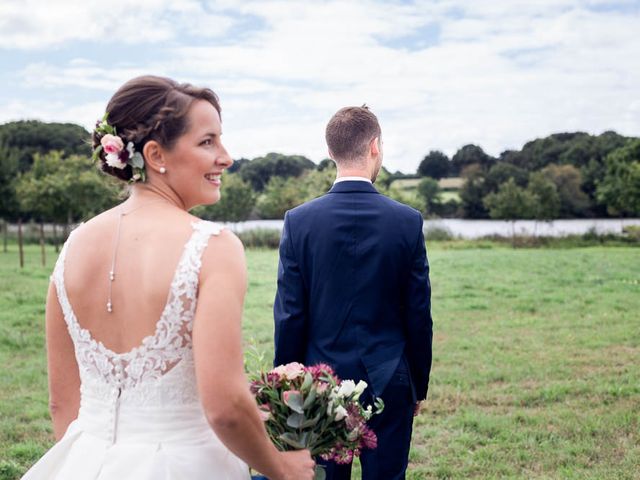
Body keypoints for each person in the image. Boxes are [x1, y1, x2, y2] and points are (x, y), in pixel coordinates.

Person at [22, 75, 315, 480]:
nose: (226, 157)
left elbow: (61, 404)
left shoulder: (72, 248)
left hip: (84, 459)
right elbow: (224, 407)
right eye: (207, 141)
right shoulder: (214, 247)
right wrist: (280, 467)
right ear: (156, 154)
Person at [273, 106, 433, 479]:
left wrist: (288, 386)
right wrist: (416, 386)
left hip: (321, 382)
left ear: (331, 152)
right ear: (375, 146)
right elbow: (418, 314)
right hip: (389, 377)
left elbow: (290, 315)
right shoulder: (407, 222)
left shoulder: (299, 222)